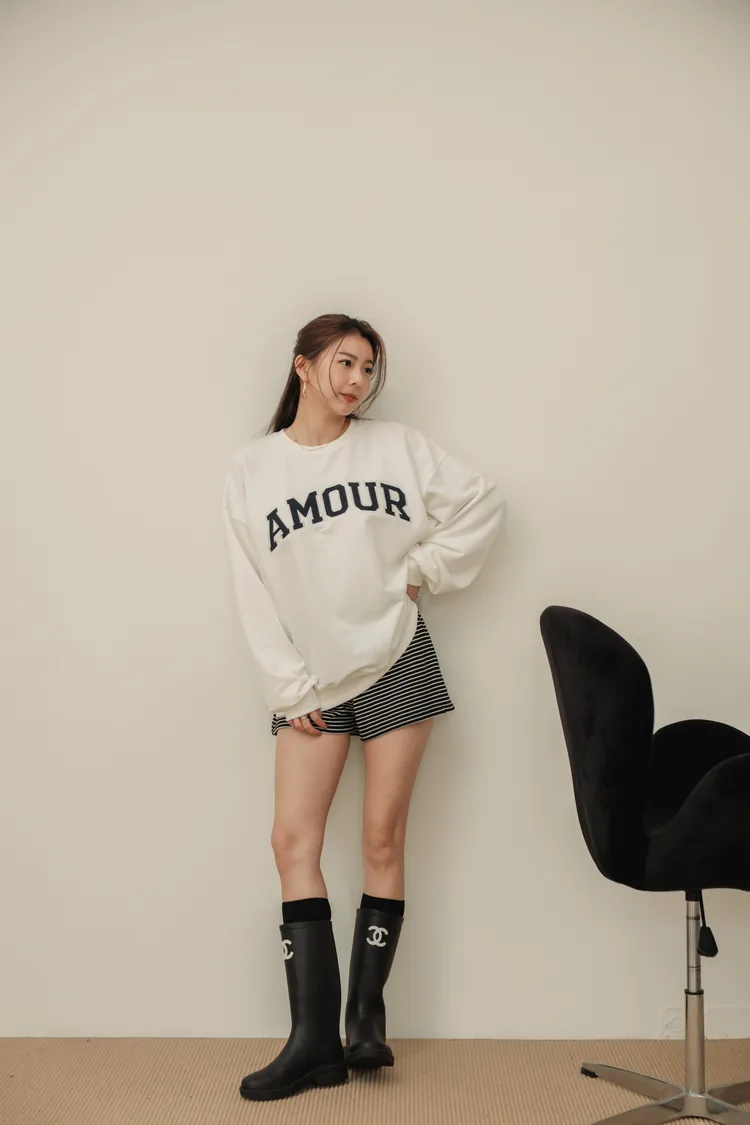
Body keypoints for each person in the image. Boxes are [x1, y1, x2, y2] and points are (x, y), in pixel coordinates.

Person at [223, 312, 504, 1101]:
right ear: (303, 365)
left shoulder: (395, 447)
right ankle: (312, 1041)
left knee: (382, 834)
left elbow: (482, 502)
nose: (357, 380)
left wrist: (423, 569)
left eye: (369, 368)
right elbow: (249, 586)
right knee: (292, 841)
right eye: (344, 362)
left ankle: (365, 1020)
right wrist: (288, 687)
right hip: (310, 681)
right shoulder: (253, 469)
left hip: (395, 656)